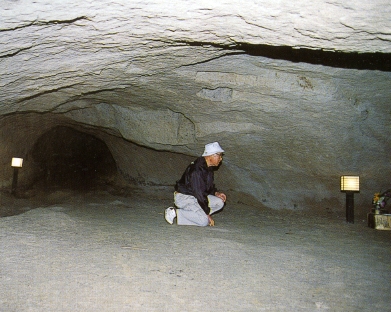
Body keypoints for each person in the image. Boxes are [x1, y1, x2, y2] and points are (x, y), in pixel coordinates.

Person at [165, 142, 227, 226]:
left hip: (195, 197)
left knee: (219, 202)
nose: (221, 159)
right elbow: (199, 194)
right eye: (220, 155)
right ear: (211, 155)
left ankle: (197, 214)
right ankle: (174, 212)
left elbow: (208, 187)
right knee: (204, 221)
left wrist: (216, 193)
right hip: (184, 198)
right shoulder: (197, 170)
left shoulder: (208, 168)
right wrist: (207, 214)